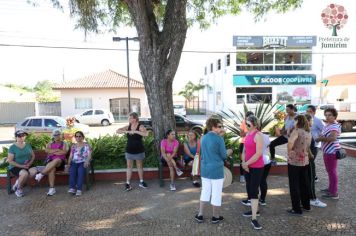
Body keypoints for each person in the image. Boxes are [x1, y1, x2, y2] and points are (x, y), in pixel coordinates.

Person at [195, 116, 232, 224]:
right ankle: (215, 216)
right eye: (219, 126)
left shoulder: (203, 138)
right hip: (216, 170)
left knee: (205, 192)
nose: (221, 128)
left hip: (205, 169)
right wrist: (230, 151)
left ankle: (200, 214)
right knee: (216, 193)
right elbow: (224, 155)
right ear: (213, 127)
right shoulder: (219, 139)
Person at [241, 115, 264, 230]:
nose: (247, 126)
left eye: (248, 124)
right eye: (246, 124)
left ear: (255, 124)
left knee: (253, 190)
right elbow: (244, 150)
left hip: (256, 167)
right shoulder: (247, 134)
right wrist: (243, 161)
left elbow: (258, 154)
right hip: (247, 167)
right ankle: (255, 210)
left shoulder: (258, 135)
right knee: (250, 189)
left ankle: (254, 218)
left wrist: (246, 163)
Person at [116, 112, 149, 191]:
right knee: (129, 166)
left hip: (139, 150)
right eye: (129, 118)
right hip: (129, 150)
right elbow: (117, 131)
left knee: (139, 166)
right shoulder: (128, 126)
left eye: (130, 118)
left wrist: (136, 132)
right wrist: (126, 131)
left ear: (135, 119)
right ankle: (127, 183)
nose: (129, 119)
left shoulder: (140, 126)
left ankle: (141, 182)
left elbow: (146, 134)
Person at [286, 115, 312, 215]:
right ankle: (306, 205)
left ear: (297, 121)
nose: (293, 123)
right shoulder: (308, 132)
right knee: (304, 184)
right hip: (305, 161)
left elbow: (290, 141)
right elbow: (308, 147)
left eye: (294, 121)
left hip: (295, 161)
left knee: (294, 185)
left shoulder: (296, 131)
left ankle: (296, 209)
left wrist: (289, 152)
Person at [315, 108, 341, 200]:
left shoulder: (334, 126)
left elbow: (333, 138)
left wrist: (320, 139)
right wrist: (322, 137)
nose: (327, 116)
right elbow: (327, 136)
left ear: (334, 116)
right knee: (330, 171)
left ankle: (334, 193)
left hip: (331, 152)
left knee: (332, 172)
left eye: (330, 115)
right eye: (326, 115)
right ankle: (331, 189)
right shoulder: (328, 125)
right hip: (327, 151)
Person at [240, 130, 271, 207]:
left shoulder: (252, 136)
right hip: (266, 160)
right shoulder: (265, 136)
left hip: (257, 161)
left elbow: (250, 151)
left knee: (252, 183)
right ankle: (262, 200)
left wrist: (245, 163)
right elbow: (268, 147)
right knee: (262, 181)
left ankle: (251, 200)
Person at [35, 129, 69, 196]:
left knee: (57, 160)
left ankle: (41, 174)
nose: (57, 136)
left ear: (61, 135)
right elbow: (47, 151)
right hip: (50, 162)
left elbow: (64, 152)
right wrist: (57, 150)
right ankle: (52, 189)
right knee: (52, 169)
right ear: (53, 136)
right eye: (55, 135)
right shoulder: (49, 144)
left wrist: (52, 152)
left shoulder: (64, 143)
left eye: (58, 134)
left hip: (60, 162)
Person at [304, 114, 327, 208]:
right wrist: (310, 154)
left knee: (307, 179)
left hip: (305, 160)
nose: (312, 122)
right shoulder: (306, 132)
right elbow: (306, 146)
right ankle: (312, 199)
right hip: (308, 160)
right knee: (311, 179)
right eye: (311, 121)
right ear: (308, 121)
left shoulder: (303, 131)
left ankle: (306, 197)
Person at [7, 130, 37, 197]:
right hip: (16, 166)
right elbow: (10, 161)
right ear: (16, 137)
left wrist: (30, 163)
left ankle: (18, 182)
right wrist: (22, 166)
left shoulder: (28, 145)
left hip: (27, 164)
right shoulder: (12, 147)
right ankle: (19, 188)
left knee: (34, 172)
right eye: (19, 136)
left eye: (23, 136)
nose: (21, 137)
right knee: (24, 174)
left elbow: (33, 155)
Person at [67, 131, 92, 196]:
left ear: (83, 137)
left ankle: (79, 189)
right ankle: (72, 188)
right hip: (74, 162)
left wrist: (87, 161)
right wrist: (68, 164)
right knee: (72, 172)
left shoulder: (87, 145)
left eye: (79, 136)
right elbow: (70, 156)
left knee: (80, 172)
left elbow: (89, 155)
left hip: (83, 162)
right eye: (76, 136)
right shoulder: (73, 146)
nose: (78, 137)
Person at [306, 105, 324, 182]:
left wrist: (319, 137)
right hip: (307, 142)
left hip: (314, 144)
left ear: (314, 112)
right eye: (307, 111)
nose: (308, 113)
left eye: (310, 111)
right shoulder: (305, 119)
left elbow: (324, 130)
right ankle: (309, 176)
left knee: (311, 160)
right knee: (306, 160)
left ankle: (314, 177)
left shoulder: (318, 121)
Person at [239, 111, 254, 183]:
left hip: (252, 143)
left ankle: (250, 175)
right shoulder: (243, 123)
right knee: (242, 160)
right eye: (248, 118)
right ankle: (242, 176)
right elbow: (241, 134)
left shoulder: (255, 124)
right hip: (243, 143)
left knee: (252, 159)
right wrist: (248, 132)